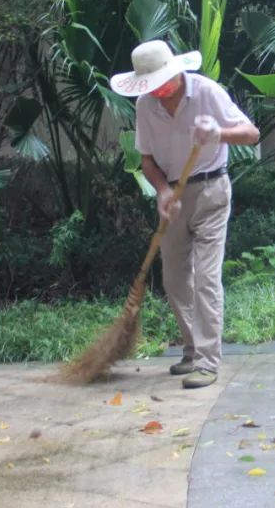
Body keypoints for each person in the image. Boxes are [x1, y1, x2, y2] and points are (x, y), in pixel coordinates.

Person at [110, 40, 259, 389]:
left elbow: (251, 135)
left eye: (163, 82)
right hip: (173, 196)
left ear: (177, 72)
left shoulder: (207, 92)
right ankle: (192, 349)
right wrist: (162, 191)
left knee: (206, 278)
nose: (159, 90)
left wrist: (218, 133)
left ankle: (207, 362)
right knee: (175, 279)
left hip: (211, 191)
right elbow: (147, 160)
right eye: (151, 85)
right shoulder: (146, 105)